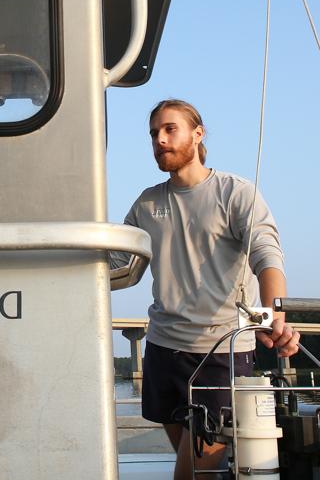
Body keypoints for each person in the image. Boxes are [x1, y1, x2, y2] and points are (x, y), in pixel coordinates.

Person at [115, 99, 300, 479]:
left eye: (170, 129)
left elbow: (267, 256)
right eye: (154, 133)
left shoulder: (235, 193)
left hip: (221, 353)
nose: (160, 140)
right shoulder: (147, 204)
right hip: (163, 349)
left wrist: (273, 314)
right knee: (202, 471)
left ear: (198, 134)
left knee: (191, 472)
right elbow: (119, 266)